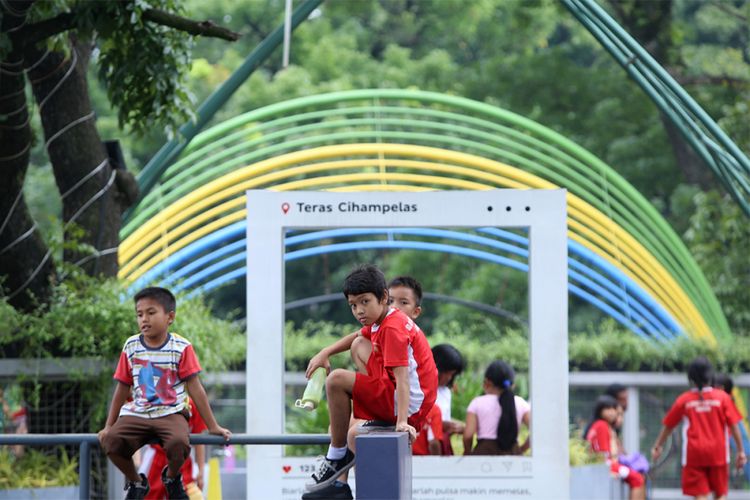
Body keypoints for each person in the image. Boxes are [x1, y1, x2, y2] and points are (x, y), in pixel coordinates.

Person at [303, 265, 437, 494]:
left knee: (335, 380)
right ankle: (343, 466)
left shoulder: (393, 329)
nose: (359, 311)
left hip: (408, 405)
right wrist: (325, 352)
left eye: (365, 302)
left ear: (384, 297)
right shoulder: (383, 319)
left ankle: (336, 457)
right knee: (358, 344)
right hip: (405, 394)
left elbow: (403, 379)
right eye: (353, 305)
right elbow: (356, 336)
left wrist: (402, 422)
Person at [98, 287, 231, 500]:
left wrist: (213, 426)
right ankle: (136, 482)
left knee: (179, 443)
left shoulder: (181, 347)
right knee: (111, 442)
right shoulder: (131, 346)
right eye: (139, 314)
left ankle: (171, 478)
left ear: (170, 317)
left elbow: (195, 388)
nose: (144, 319)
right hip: (138, 412)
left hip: (171, 412)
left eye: (151, 313)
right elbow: (122, 387)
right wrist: (108, 426)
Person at [651, 357, 747, 500]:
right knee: (720, 494)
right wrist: (740, 452)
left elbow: (669, 426)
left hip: (694, 455)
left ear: (690, 377)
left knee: (700, 495)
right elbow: (734, 426)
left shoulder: (685, 399)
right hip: (718, 454)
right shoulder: (723, 398)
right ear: (710, 375)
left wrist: (658, 445)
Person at [139, 398, 206, 500]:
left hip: (182, 460)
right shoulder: (151, 398)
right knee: (147, 495)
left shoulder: (191, 403)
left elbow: (199, 436)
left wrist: (201, 471)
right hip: (156, 459)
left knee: (193, 496)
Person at [463, 360, 530, 455]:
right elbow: (537, 431)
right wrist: (522, 449)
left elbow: (468, 436)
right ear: (513, 385)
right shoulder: (520, 403)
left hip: (483, 455)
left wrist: (467, 452)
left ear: (486, 383)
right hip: (512, 456)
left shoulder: (477, 403)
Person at [585, 395, 646, 500]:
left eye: (613, 409)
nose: (612, 412)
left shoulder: (599, 425)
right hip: (605, 466)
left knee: (639, 478)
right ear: (599, 410)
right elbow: (604, 454)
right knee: (638, 479)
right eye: (607, 408)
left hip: (604, 465)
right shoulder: (601, 425)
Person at [432, 343, 465, 454]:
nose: (449, 378)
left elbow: (446, 419)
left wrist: (457, 427)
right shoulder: (418, 390)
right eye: (446, 373)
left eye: (452, 374)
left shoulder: (446, 392)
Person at [0, 384, 27, 457]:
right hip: (7, 428)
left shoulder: (13, 390)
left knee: (17, 453)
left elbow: (12, 416)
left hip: (13, 426)